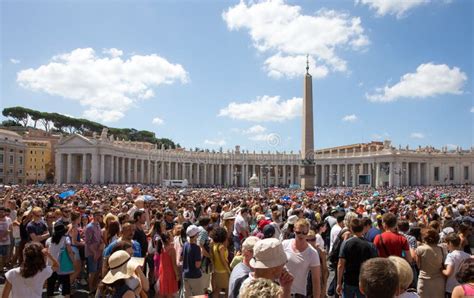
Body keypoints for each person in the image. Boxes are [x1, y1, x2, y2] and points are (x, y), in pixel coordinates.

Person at [336, 218, 377, 298]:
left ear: (351, 229)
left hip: (349, 280)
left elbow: (340, 265)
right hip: (363, 281)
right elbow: (374, 266)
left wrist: (338, 283)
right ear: (363, 228)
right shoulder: (370, 245)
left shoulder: (346, 244)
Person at [282, 218, 321, 297]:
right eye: (298, 232)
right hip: (281, 291)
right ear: (294, 230)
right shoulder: (285, 244)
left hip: (298, 294)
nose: (301, 235)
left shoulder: (312, 253)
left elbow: (316, 280)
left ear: (308, 232)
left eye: (304, 233)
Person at [45, 223, 74, 298]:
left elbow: (46, 252)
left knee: (51, 285)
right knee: (66, 284)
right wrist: (72, 261)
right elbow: (70, 251)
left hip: (51, 265)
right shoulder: (66, 239)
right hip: (62, 265)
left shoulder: (49, 240)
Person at [415, 228, 445, 298]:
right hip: (439, 281)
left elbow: (418, 266)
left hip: (424, 280)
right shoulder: (441, 249)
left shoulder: (420, 249)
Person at [442, 232, 470, 296]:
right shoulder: (467, 255)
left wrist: (441, 269)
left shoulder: (451, 256)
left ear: (450, 243)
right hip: (463, 287)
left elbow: (448, 273)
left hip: (451, 287)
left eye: (447, 243)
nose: (446, 245)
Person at [85, 209, 104, 294]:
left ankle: (94, 286)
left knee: (98, 270)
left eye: (101, 215)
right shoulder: (89, 227)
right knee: (92, 272)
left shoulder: (98, 225)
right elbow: (88, 242)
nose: (100, 217)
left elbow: (99, 237)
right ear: (94, 215)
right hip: (92, 252)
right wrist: (95, 253)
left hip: (98, 251)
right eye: (99, 215)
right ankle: (90, 289)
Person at [182, 225, 203, 297]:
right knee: (199, 296)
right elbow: (197, 265)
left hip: (185, 275)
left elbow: (181, 258)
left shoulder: (185, 244)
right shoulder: (196, 248)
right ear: (196, 235)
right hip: (195, 276)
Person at [210, 226, 231, 297]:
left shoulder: (214, 245)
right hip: (223, 271)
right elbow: (223, 261)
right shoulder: (221, 247)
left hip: (217, 270)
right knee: (227, 288)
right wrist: (228, 270)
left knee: (218, 288)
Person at [157, 232, 179, 298]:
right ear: (167, 239)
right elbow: (174, 264)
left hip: (162, 273)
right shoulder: (172, 249)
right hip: (170, 274)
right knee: (170, 293)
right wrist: (177, 275)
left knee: (165, 293)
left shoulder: (161, 248)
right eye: (171, 235)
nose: (172, 236)